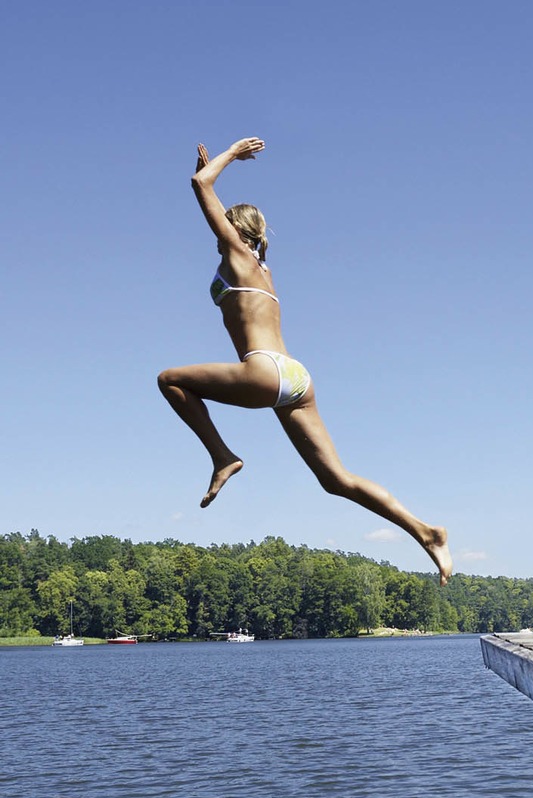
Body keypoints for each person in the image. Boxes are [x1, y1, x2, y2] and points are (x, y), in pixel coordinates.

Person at [158, 137, 452, 584]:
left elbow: (201, 183)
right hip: (295, 377)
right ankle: (426, 532)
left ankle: (222, 456)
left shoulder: (237, 256)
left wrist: (230, 157)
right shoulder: (263, 269)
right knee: (336, 480)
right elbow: (208, 187)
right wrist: (217, 170)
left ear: (233, 230)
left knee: (170, 380)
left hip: (264, 370)